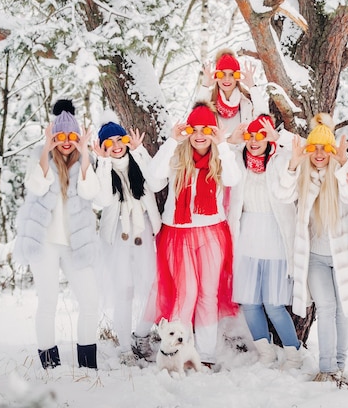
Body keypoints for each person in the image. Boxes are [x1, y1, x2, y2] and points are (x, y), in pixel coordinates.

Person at [273, 113, 348, 384]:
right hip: (315, 257)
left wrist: (342, 162)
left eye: (324, 149)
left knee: (342, 309)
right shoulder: (304, 176)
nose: (318, 154)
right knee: (326, 306)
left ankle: (340, 364)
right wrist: (293, 163)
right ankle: (326, 368)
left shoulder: (341, 175)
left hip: (343, 256)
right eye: (313, 148)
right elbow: (282, 194)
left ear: (331, 151)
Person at [149, 101, 241, 367]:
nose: (199, 135)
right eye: (194, 129)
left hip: (212, 232)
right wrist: (171, 141)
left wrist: (222, 144)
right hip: (178, 234)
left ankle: (207, 355)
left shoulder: (220, 157)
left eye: (206, 129)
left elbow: (234, 180)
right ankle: (176, 352)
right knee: (186, 293)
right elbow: (154, 179)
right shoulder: (177, 155)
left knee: (208, 294)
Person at [13, 99, 100, 369]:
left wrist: (85, 152)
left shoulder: (85, 162)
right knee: (48, 302)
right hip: (46, 244)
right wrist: (44, 152)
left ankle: (87, 363)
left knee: (90, 300)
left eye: (71, 136)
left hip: (76, 244)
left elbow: (90, 192)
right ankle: (49, 363)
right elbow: (35, 186)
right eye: (60, 136)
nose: (65, 141)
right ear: (53, 137)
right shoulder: (42, 159)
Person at [227, 114, 302, 369]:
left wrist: (278, 138)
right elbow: (218, 157)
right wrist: (229, 140)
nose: (254, 141)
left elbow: (300, 146)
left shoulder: (280, 158)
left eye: (261, 135)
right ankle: (266, 353)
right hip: (247, 235)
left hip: (275, 236)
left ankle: (293, 355)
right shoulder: (238, 159)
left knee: (274, 305)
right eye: (250, 135)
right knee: (249, 302)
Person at [93, 114, 164, 364]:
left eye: (119, 138)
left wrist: (140, 151)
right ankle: (124, 347)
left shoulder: (136, 161)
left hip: (143, 233)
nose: (116, 145)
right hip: (118, 238)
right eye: (108, 141)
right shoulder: (101, 169)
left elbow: (156, 183)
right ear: (102, 146)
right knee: (124, 291)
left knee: (155, 287)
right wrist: (102, 163)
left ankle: (141, 334)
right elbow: (100, 200)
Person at [198, 48, 267, 136]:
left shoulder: (247, 99)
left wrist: (252, 86)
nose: (227, 79)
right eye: (222, 74)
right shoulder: (207, 99)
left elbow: (264, 119)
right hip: (217, 149)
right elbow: (195, 119)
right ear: (216, 75)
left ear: (237, 76)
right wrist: (205, 86)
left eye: (231, 74)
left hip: (241, 148)